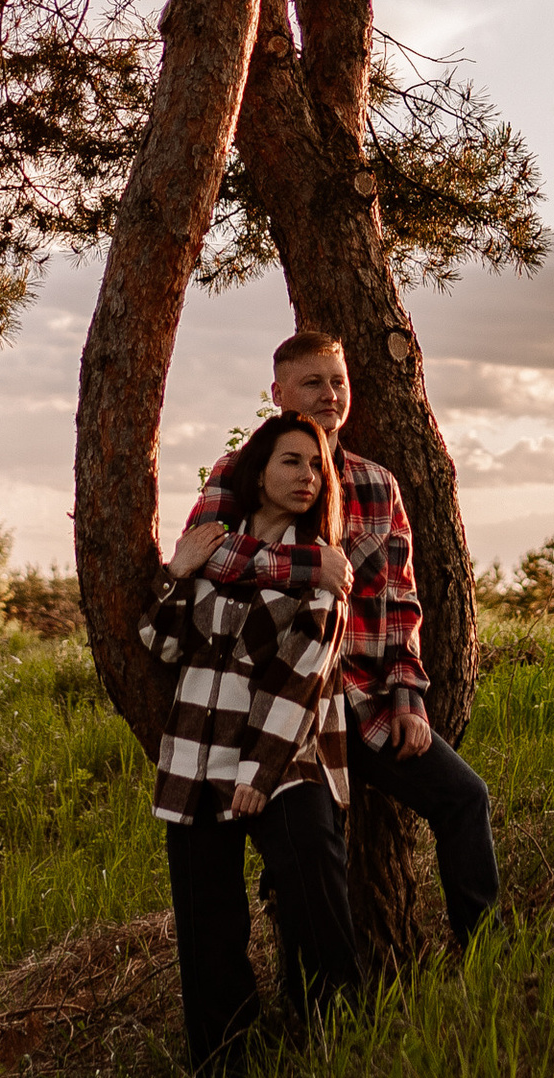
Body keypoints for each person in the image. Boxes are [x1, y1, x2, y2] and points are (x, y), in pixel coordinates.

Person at [178, 329, 500, 953]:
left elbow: (397, 600)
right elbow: (204, 555)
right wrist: (306, 568)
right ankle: (322, 1008)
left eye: (338, 380)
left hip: (361, 698)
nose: (330, 395)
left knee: (465, 797)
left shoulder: (377, 485)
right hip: (280, 705)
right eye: (312, 383)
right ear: (277, 394)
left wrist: (407, 694)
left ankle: (487, 957)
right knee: (311, 851)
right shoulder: (241, 470)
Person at [142, 409, 363, 1078]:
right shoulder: (213, 548)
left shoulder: (322, 568)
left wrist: (258, 773)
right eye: (291, 461)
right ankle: (222, 1077)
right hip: (194, 758)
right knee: (209, 929)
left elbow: (304, 674)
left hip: (282, 760)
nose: (306, 475)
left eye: (316, 465)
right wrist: (177, 572)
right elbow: (164, 643)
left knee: (314, 898)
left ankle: (343, 1049)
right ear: (259, 472)